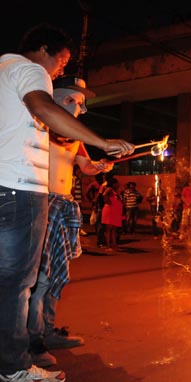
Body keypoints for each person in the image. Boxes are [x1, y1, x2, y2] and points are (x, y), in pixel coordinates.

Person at [0, 23, 133, 382]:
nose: (60, 70)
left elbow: (81, 162)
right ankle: (15, 364)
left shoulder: (3, 70)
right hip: (20, 191)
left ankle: (30, 343)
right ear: (46, 50)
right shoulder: (30, 71)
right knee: (20, 283)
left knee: (25, 280)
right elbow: (43, 108)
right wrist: (104, 141)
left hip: (8, 189)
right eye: (62, 62)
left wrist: (96, 159)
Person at [27, 76, 114, 368]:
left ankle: (48, 332)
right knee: (37, 279)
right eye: (74, 101)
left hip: (62, 208)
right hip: (39, 204)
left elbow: (85, 167)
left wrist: (100, 166)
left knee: (53, 275)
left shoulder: (74, 137)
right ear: (61, 99)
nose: (79, 107)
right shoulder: (38, 125)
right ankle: (32, 341)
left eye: (81, 103)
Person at [101, 177, 123, 251]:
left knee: (114, 229)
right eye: (116, 183)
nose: (118, 184)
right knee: (109, 229)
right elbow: (104, 195)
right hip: (110, 211)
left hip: (115, 211)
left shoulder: (115, 190)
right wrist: (109, 203)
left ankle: (114, 245)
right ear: (113, 184)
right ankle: (108, 246)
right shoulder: (109, 189)